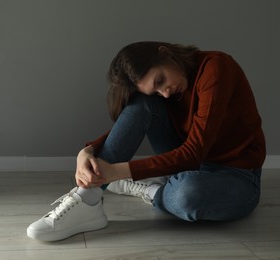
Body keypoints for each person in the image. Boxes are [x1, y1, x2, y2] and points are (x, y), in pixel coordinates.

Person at [27, 41, 266, 242]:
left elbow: (194, 153)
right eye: (156, 90)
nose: (166, 93)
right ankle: (87, 200)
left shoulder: (216, 68)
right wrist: (88, 150)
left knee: (187, 195)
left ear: (164, 52)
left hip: (237, 176)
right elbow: (145, 115)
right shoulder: (166, 89)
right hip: (186, 163)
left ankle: (151, 190)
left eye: (161, 80)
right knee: (143, 104)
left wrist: (116, 172)